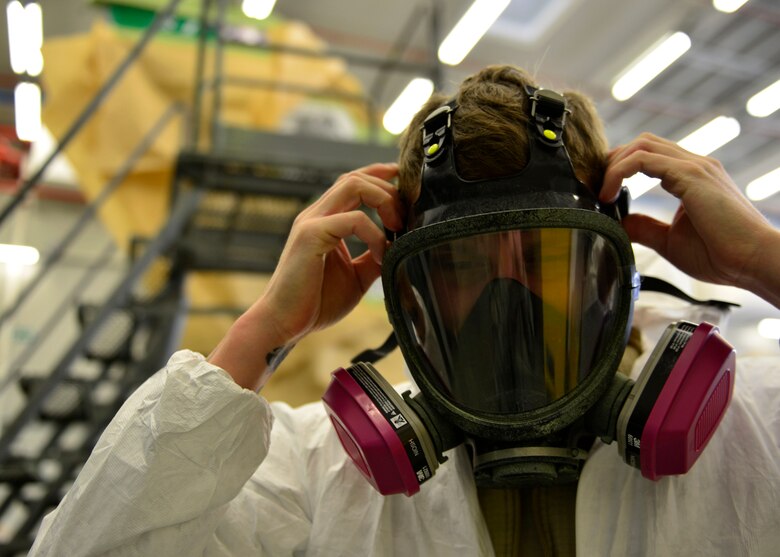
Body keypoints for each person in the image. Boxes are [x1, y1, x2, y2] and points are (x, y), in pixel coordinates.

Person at [29, 66, 780, 556]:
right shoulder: (319, 474)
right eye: (461, 265)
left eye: (544, 257)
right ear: (408, 285)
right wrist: (261, 333)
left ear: (609, 266)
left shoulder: (752, 436)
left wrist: (763, 261)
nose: (506, 299)